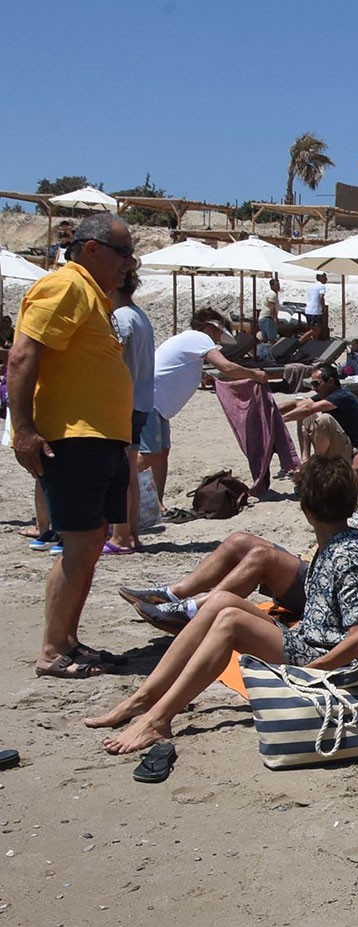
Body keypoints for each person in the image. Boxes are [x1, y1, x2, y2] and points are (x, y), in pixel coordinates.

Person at [84, 457, 358, 755]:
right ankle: (143, 699)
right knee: (221, 601)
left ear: (307, 512)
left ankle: (158, 720)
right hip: (313, 644)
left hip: (334, 663)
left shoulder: (346, 555)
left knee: (231, 623)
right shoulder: (336, 544)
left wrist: (306, 675)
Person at [7, 212, 138, 678]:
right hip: (74, 438)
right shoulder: (65, 285)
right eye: (124, 252)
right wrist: (22, 430)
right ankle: (51, 650)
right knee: (80, 547)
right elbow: (23, 355)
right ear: (92, 249)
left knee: (90, 544)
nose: (130, 262)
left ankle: (67, 641)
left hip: (98, 439)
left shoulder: (90, 294)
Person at [119, 442, 358, 629]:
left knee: (262, 556)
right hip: (313, 571)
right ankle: (175, 594)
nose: (353, 478)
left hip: (328, 588)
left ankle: (195, 610)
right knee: (239, 539)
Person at [150, 306, 275, 512]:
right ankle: (115, 491)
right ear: (210, 327)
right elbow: (226, 367)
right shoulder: (200, 339)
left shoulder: (188, 340)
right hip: (152, 402)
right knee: (147, 455)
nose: (217, 340)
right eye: (218, 334)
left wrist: (202, 376)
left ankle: (158, 505)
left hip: (159, 405)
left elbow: (180, 367)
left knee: (161, 452)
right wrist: (253, 374)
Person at [108, 271, 155, 554]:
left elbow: (117, 358)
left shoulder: (122, 318)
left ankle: (121, 536)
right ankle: (131, 532)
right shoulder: (139, 316)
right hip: (140, 401)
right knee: (130, 469)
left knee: (121, 472)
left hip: (124, 402)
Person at [280, 364, 358, 464]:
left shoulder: (342, 396)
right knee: (305, 415)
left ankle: (319, 462)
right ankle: (305, 460)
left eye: (316, 383)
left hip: (351, 451)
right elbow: (298, 404)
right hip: (338, 443)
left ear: (331, 381)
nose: (314, 388)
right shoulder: (327, 394)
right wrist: (273, 410)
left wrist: (280, 420)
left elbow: (309, 408)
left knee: (324, 419)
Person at [303, 272, 328, 337]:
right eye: (325, 277)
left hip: (308, 310)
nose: (326, 279)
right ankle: (300, 341)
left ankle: (314, 343)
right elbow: (321, 297)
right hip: (315, 311)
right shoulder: (322, 286)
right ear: (321, 278)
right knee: (315, 330)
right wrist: (323, 307)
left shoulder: (311, 286)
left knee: (315, 329)